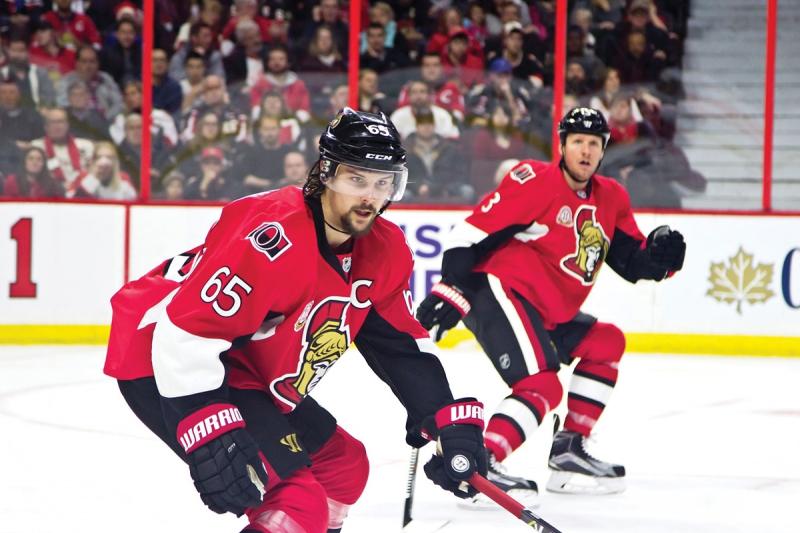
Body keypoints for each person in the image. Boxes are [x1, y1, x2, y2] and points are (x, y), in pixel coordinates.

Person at [102, 108, 489, 533]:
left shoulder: (385, 249)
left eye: (384, 183)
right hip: (166, 360)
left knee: (344, 467)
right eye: (356, 179)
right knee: (296, 501)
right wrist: (207, 426)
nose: (370, 197)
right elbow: (190, 331)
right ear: (326, 173)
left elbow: (398, 346)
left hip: (243, 365)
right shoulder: (274, 234)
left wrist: (441, 415)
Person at [416, 107, 686, 498]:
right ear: (562, 145)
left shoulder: (611, 197)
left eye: (594, 143)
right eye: (577, 141)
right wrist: (451, 287)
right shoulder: (535, 181)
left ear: (604, 149)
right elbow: (471, 234)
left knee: (606, 343)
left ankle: (568, 451)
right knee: (541, 384)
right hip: (500, 291)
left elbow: (631, 261)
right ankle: (479, 467)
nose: (585, 150)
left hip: (548, 310)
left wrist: (662, 259)